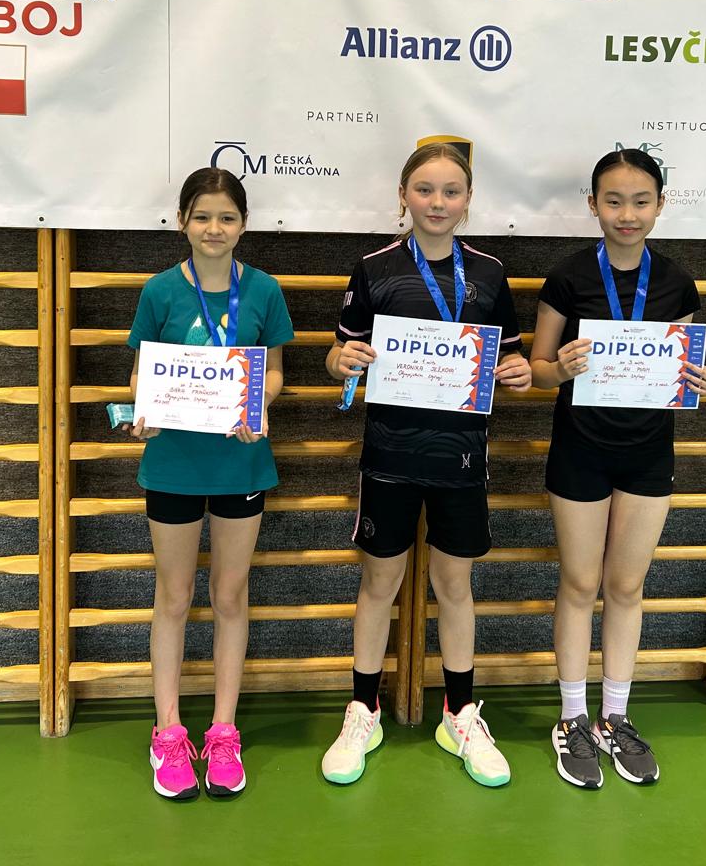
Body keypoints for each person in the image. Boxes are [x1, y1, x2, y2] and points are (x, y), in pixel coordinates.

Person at [319, 143, 531, 788]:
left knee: (454, 586)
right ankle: (363, 710)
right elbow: (338, 355)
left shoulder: (490, 274)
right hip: (389, 456)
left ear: (468, 200)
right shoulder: (375, 269)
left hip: (461, 458)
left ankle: (459, 713)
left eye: (451, 191)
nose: (437, 203)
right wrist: (341, 363)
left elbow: (511, 358)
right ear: (404, 196)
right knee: (379, 584)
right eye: (425, 190)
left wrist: (518, 372)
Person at [530, 148, 706, 790]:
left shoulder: (677, 283)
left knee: (628, 586)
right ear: (593, 205)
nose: (627, 214)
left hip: (648, 450)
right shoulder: (567, 277)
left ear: (660, 206)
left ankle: (616, 715)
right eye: (613, 201)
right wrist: (561, 368)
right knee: (581, 583)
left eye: (641, 201)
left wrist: (701, 381)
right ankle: (572, 718)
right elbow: (537, 370)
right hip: (580, 447)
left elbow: (680, 370)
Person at [125, 167, 293, 800]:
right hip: (172, 465)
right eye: (201, 216)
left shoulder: (264, 290)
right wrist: (143, 410)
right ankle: (168, 731)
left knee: (229, 597)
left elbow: (274, 372)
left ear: (244, 224)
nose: (214, 228)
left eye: (226, 217)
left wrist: (259, 405)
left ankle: (223, 730)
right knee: (173, 598)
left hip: (239, 465)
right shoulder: (160, 290)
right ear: (182, 222)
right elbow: (141, 374)